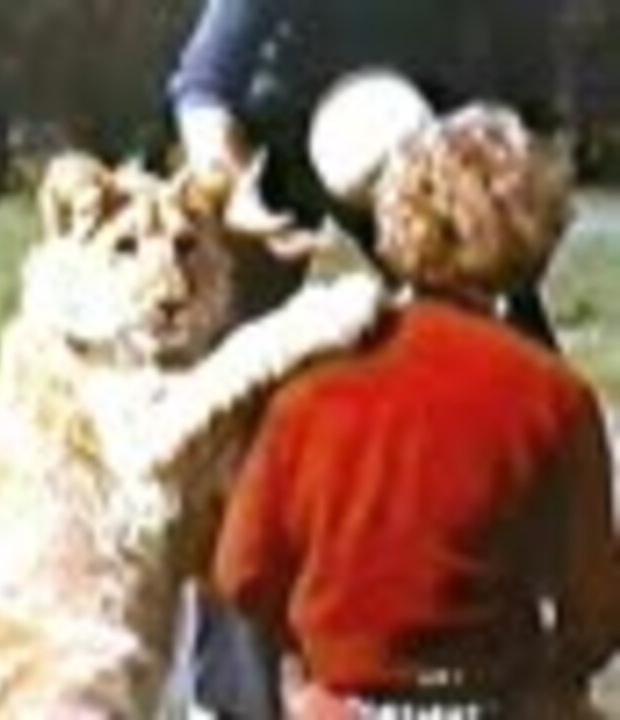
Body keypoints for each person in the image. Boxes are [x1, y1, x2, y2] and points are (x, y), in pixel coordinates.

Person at [212, 104, 620, 718]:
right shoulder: (554, 397)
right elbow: (594, 610)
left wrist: (314, 660)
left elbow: (242, 572)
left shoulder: (309, 389)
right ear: (537, 229)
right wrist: (553, 676)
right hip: (493, 697)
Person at [169, 0, 566, 345]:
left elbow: (525, 64)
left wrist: (515, 163)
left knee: (495, 320)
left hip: (417, 130)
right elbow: (205, 85)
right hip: (281, 141)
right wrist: (233, 189)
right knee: (225, 334)